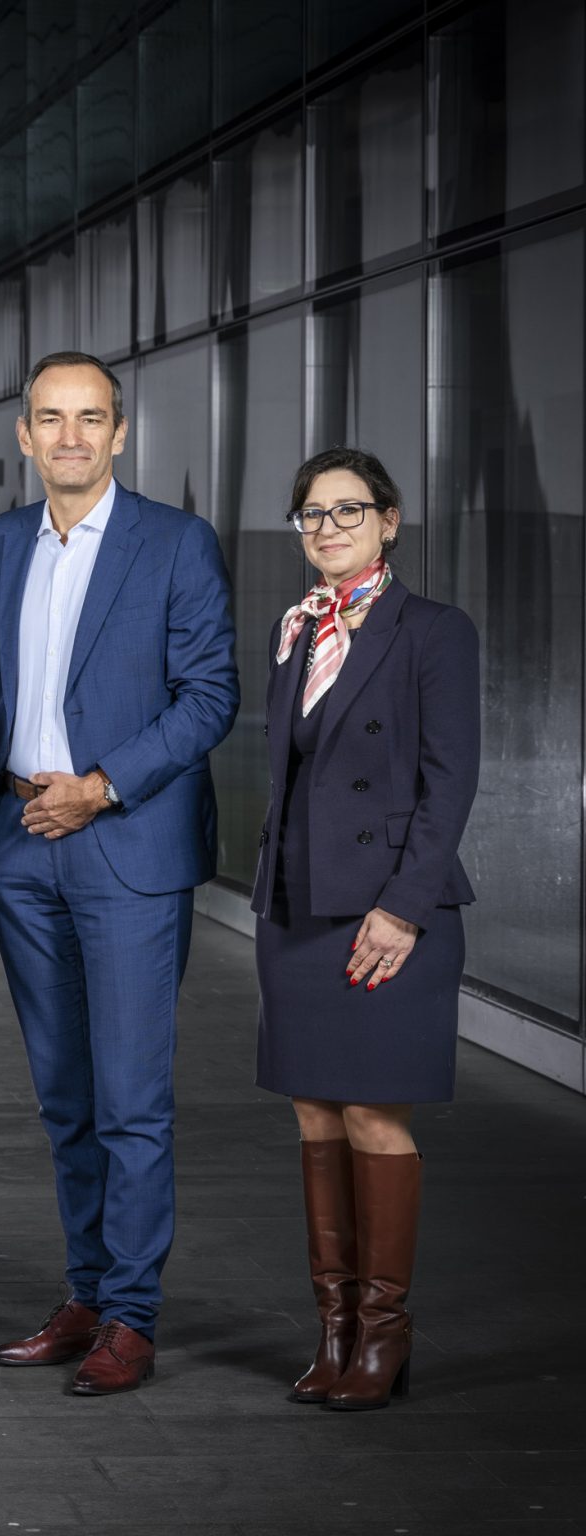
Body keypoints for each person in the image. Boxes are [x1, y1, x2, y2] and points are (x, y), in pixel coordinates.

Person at [0, 352, 239, 1395]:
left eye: (89, 418)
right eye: (49, 418)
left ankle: (130, 1313)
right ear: (23, 437)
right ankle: (82, 1294)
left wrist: (102, 786)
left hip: (125, 848)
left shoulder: (174, 544)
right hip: (21, 849)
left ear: (118, 434)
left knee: (129, 1098)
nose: (69, 435)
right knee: (63, 1097)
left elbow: (209, 697)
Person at [253, 447, 477, 1412]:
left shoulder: (434, 631)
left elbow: (449, 781)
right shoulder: (295, 629)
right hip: (300, 904)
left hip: (389, 906)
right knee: (313, 1111)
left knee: (375, 1113)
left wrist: (403, 908)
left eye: (350, 511)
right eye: (312, 514)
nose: (329, 528)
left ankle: (382, 1332)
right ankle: (334, 1329)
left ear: (390, 521)